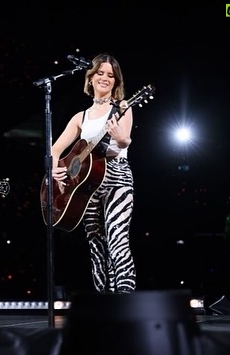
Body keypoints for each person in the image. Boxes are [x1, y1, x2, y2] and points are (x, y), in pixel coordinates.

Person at [51, 53, 136, 293]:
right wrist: (56, 170)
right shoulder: (81, 117)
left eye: (110, 75)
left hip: (117, 176)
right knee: (96, 243)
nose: (105, 78)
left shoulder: (122, 108)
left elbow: (124, 141)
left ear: (116, 82)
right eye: (100, 73)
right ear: (90, 78)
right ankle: (103, 299)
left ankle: (125, 297)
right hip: (87, 184)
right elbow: (55, 149)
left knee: (117, 238)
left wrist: (121, 138)